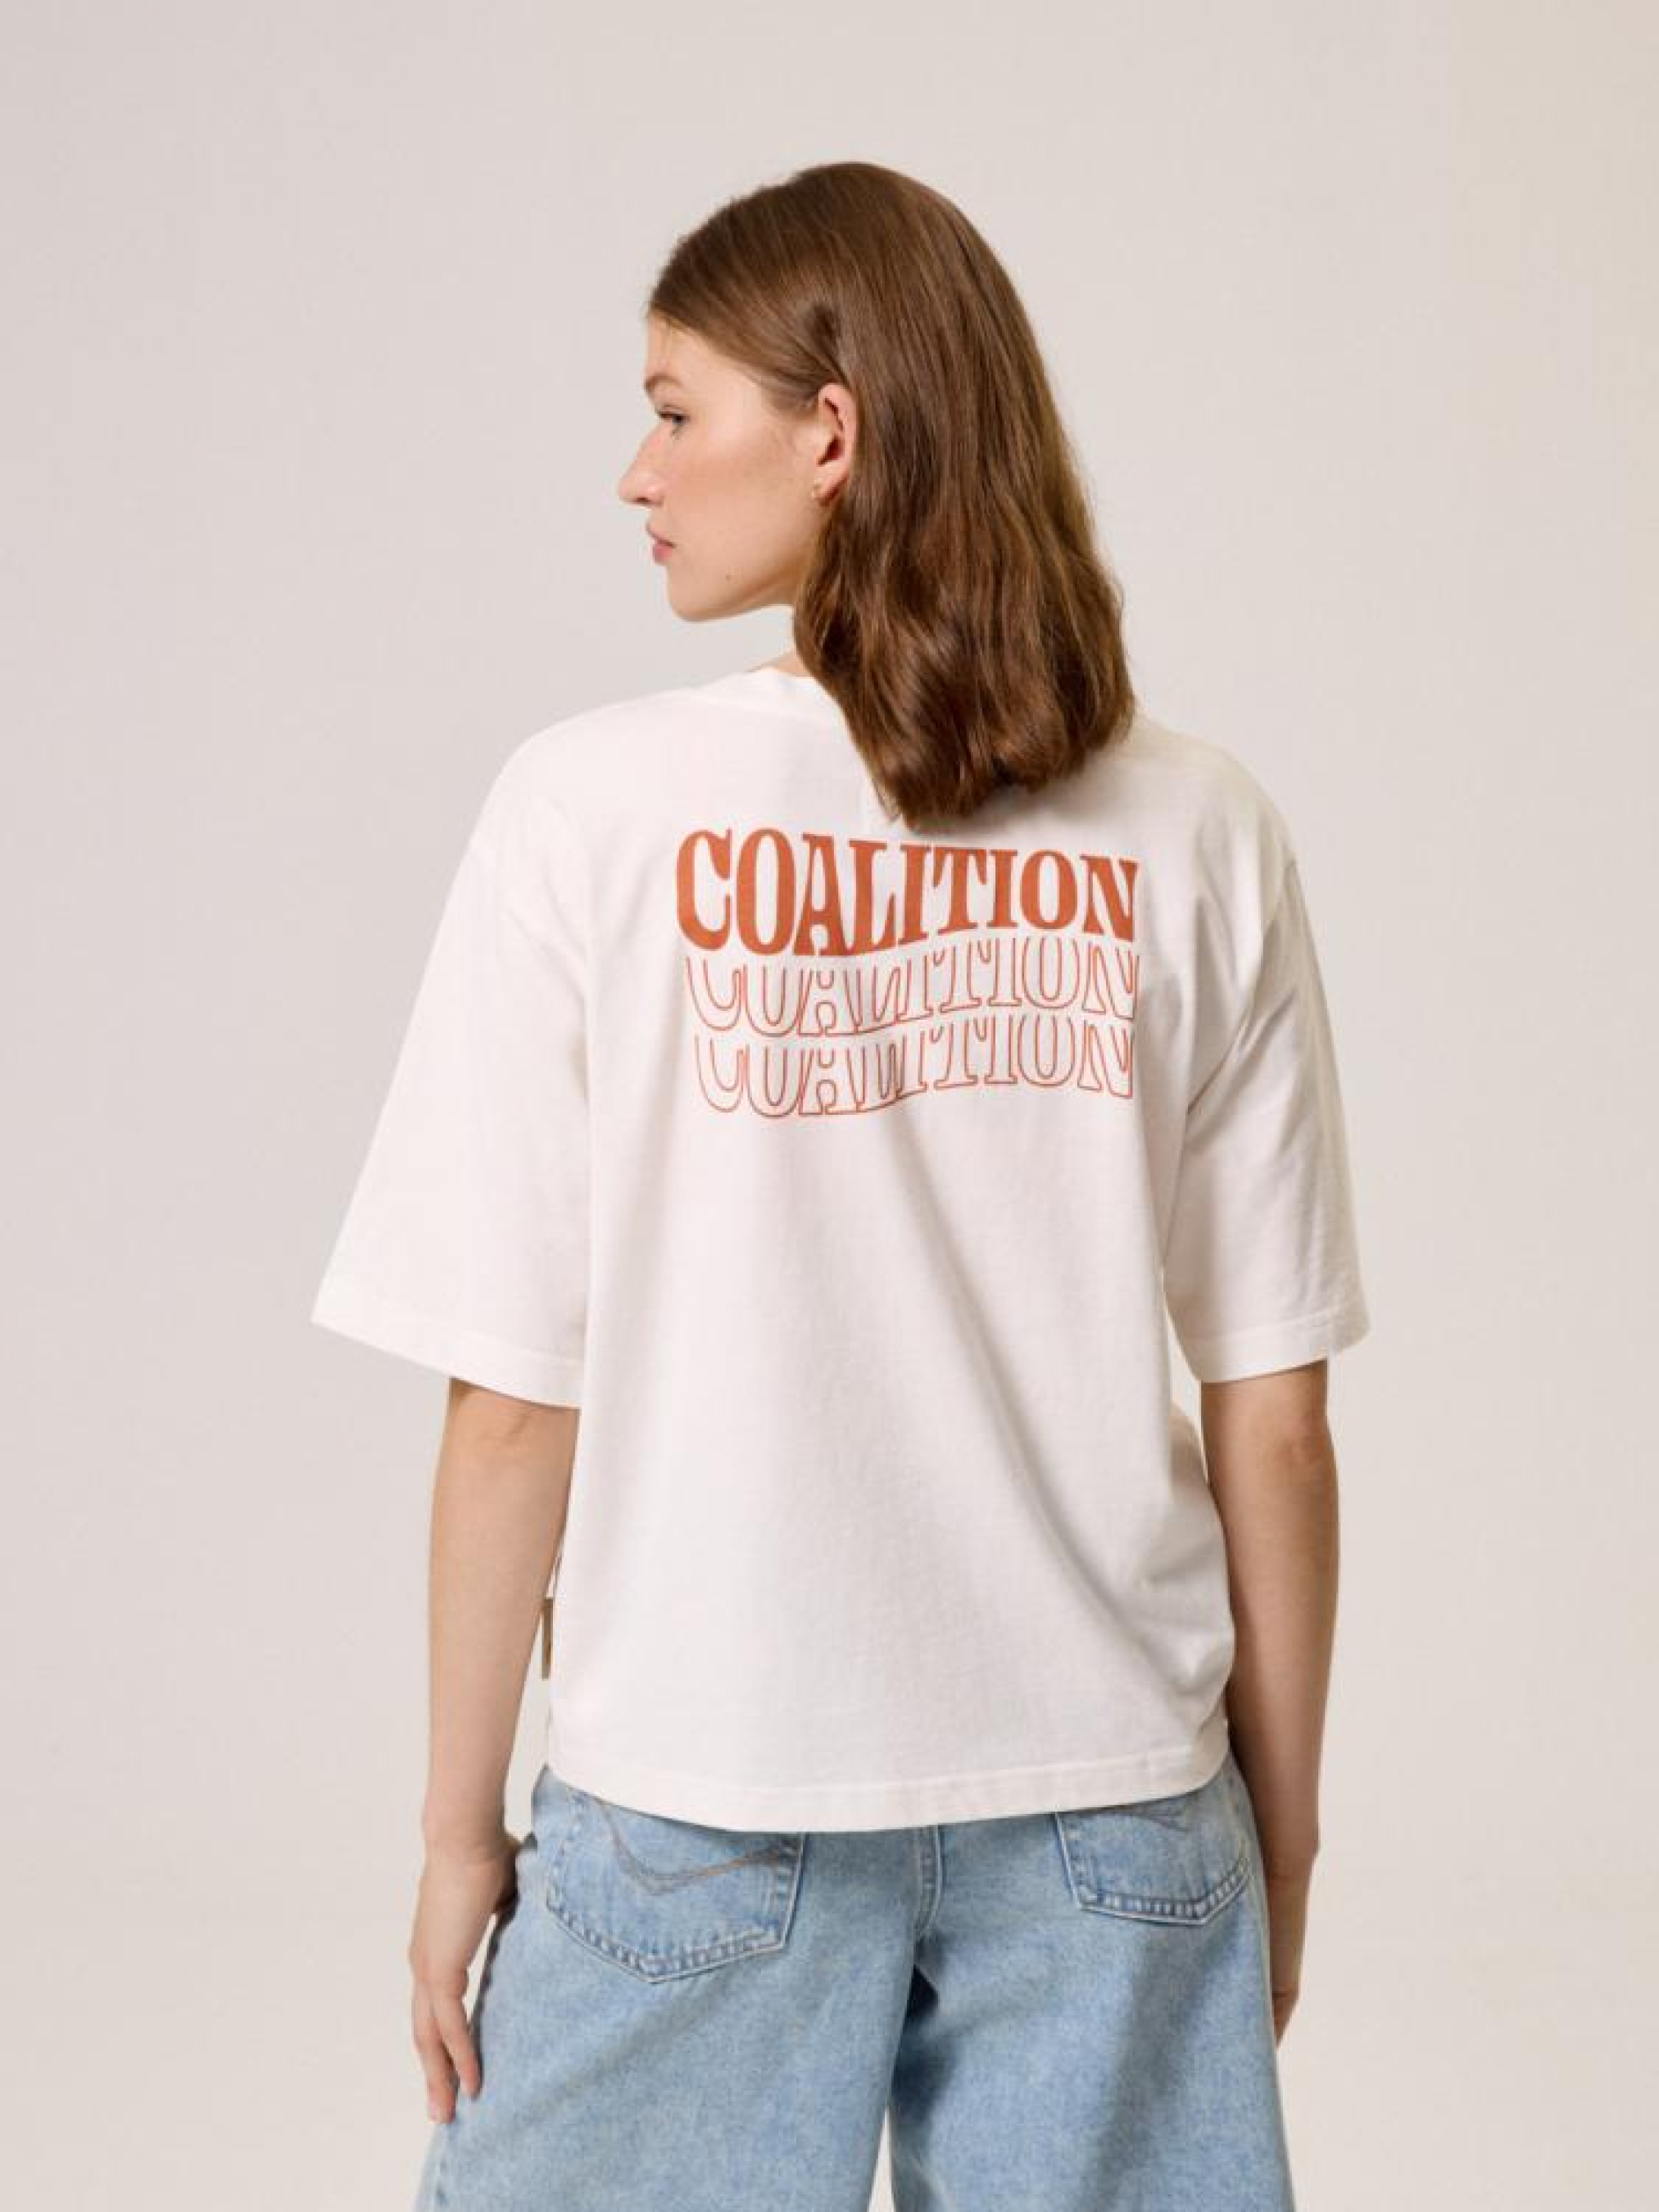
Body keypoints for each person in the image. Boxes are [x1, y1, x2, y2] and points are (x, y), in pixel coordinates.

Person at [310, 160, 1370, 2212]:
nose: (636, 472)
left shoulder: (591, 816)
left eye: (672, 409)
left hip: (707, 1777)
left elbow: (514, 1401)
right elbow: (1277, 1416)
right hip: (1115, 1796)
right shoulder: (1199, 828)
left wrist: (454, 1841)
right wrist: (1284, 1831)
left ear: (830, 430)